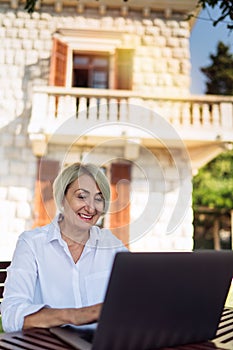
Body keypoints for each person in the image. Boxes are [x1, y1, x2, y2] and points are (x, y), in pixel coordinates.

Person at [1, 162, 127, 332]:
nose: (90, 207)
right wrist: (75, 315)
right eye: (81, 196)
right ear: (62, 198)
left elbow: (140, 293)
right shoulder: (32, 244)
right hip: (51, 344)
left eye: (98, 198)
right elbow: (11, 315)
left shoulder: (111, 245)